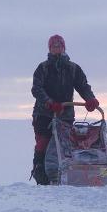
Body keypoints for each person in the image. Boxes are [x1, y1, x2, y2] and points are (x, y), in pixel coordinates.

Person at [30, 34, 100, 185]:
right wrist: (49, 102)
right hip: (44, 114)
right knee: (44, 143)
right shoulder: (43, 68)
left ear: (64, 48)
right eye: (54, 46)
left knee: (65, 145)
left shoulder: (73, 68)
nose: (57, 48)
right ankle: (40, 173)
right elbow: (36, 89)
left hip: (65, 114)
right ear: (50, 49)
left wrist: (90, 99)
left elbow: (83, 86)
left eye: (59, 46)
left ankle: (69, 175)